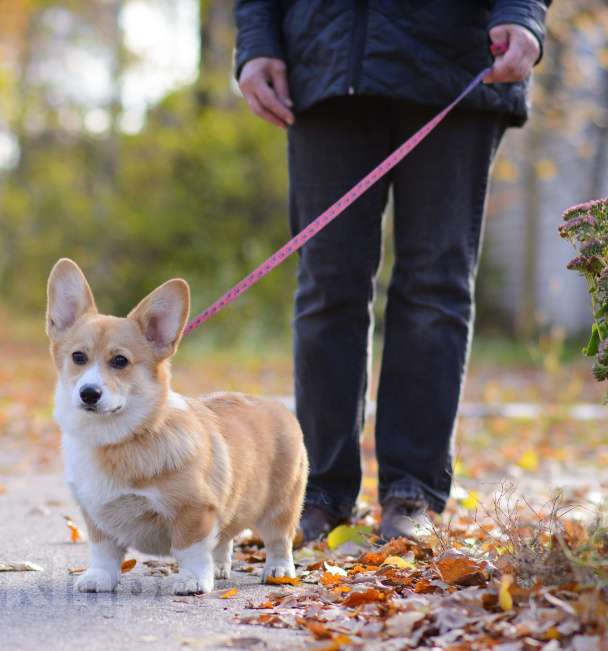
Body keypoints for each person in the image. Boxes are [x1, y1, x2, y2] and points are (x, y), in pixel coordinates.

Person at [234, 1, 550, 541]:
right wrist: (256, 40)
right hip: (326, 62)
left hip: (455, 56)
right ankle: (317, 490)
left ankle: (413, 492)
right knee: (327, 286)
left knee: (435, 287)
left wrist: (522, 10)